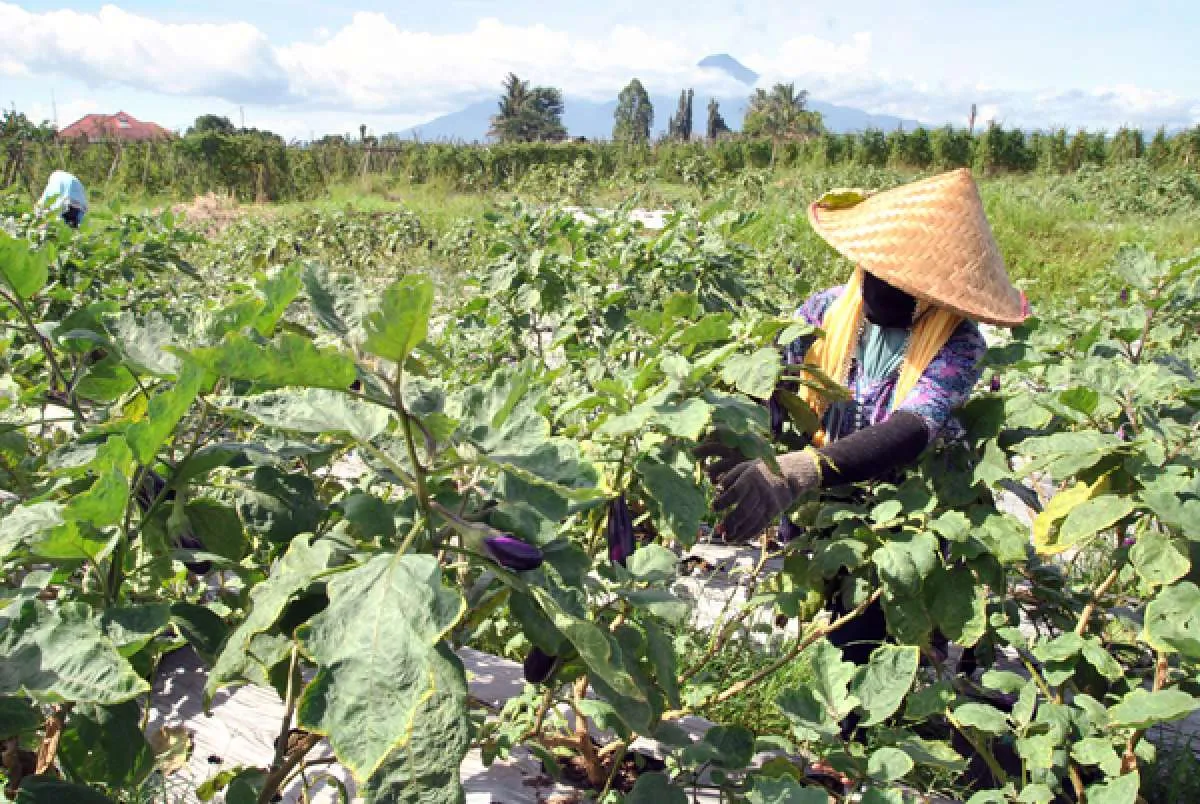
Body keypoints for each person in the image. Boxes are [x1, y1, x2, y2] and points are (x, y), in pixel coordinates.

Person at [699, 167, 1026, 708]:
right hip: (823, 505)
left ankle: (861, 743)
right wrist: (736, 430)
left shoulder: (959, 345)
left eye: (908, 284)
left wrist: (804, 469)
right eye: (877, 270)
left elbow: (912, 428)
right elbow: (771, 385)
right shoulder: (824, 312)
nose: (884, 287)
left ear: (937, 293)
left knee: (864, 642)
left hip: (904, 510)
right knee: (828, 608)